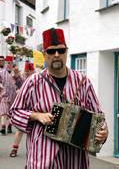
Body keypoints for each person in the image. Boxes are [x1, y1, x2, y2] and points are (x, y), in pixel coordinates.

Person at [10, 28, 108, 169]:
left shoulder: (83, 82)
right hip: (43, 159)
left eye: (61, 50)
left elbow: (99, 118)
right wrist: (36, 115)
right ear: (44, 54)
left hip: (75, 160)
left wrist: (103, 133)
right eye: (51, 51)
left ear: (66, 52)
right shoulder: (33, 82)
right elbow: (14, 113)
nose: (56, 55)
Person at [10, 63, 35, 157]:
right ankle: (14, 149)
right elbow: (16, 78)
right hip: (24, 107)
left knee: (36, 131)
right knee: (20, 130)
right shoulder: (23, 79)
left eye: (30, 71)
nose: (28, 72)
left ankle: (35, 152)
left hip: (36, 108)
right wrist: (16, 74)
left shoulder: (39, 78)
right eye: (27, 71)